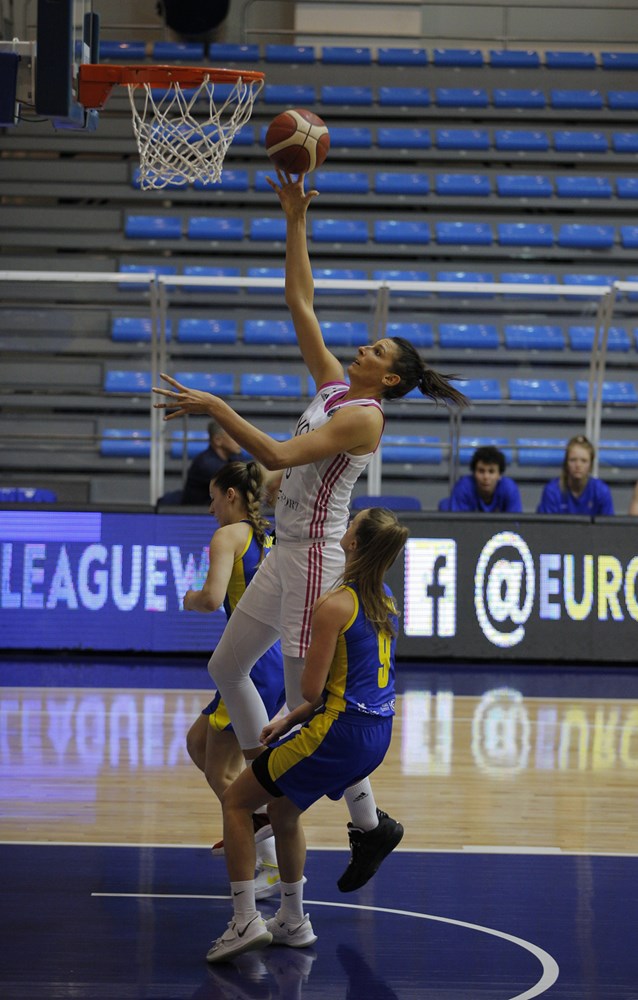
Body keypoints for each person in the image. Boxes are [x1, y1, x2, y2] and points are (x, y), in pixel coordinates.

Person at [153, 170, 469, 892]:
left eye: (375, 353)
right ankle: (343, 815)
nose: (362, 351)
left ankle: (331, 820)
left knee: (310, 700)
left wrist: (215, 405)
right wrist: (295, 217)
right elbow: (301, 300)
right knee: (226, 668)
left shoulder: (365, 418)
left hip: (316, 562)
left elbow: (276, 455)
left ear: (388, 380)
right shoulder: (335, 386)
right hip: (284, 552)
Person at [205, 506, 410, 963]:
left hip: (339, 731)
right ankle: (293, 920)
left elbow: (314, 691)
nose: (346, 521)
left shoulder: (334, 604)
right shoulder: (387, 596)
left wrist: (294, 715)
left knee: (238, 801)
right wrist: (286, 721)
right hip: (379, 731)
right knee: (282, 807)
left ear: (353, 542)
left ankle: (243, 920)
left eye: (352, 520)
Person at [183, 461, 286, 899]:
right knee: (199, 743)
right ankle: (260, 824)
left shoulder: (229, 535)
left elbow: (209, 599)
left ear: (230, 495)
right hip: (271, 659)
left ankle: (266, 853)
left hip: (250, 665)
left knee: (225, 772)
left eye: (212, 496)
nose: (209, 508)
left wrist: (187, 597)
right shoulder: (271, 535)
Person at [536, 434, 614, 515]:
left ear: (591, 465)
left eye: (584, 461)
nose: (578, 465)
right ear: (566, 463)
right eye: (573, 460)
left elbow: (608, 526)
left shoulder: (601, 491)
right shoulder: (552, 491)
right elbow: (545, 526)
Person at [443, 445, 522, 513]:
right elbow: (458, 525)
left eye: (491, 472)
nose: (486, 477)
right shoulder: (463, 488)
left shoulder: (509, 489)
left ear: (499, 475)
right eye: (481, 471)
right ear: (474, 473)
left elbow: (516, 525)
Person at [181, 419, 241, 506]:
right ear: (217, 440)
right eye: (233, 436)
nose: (240, 440)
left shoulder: (234, 457)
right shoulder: (206, 464)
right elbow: (241, 487)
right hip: (196, 515)